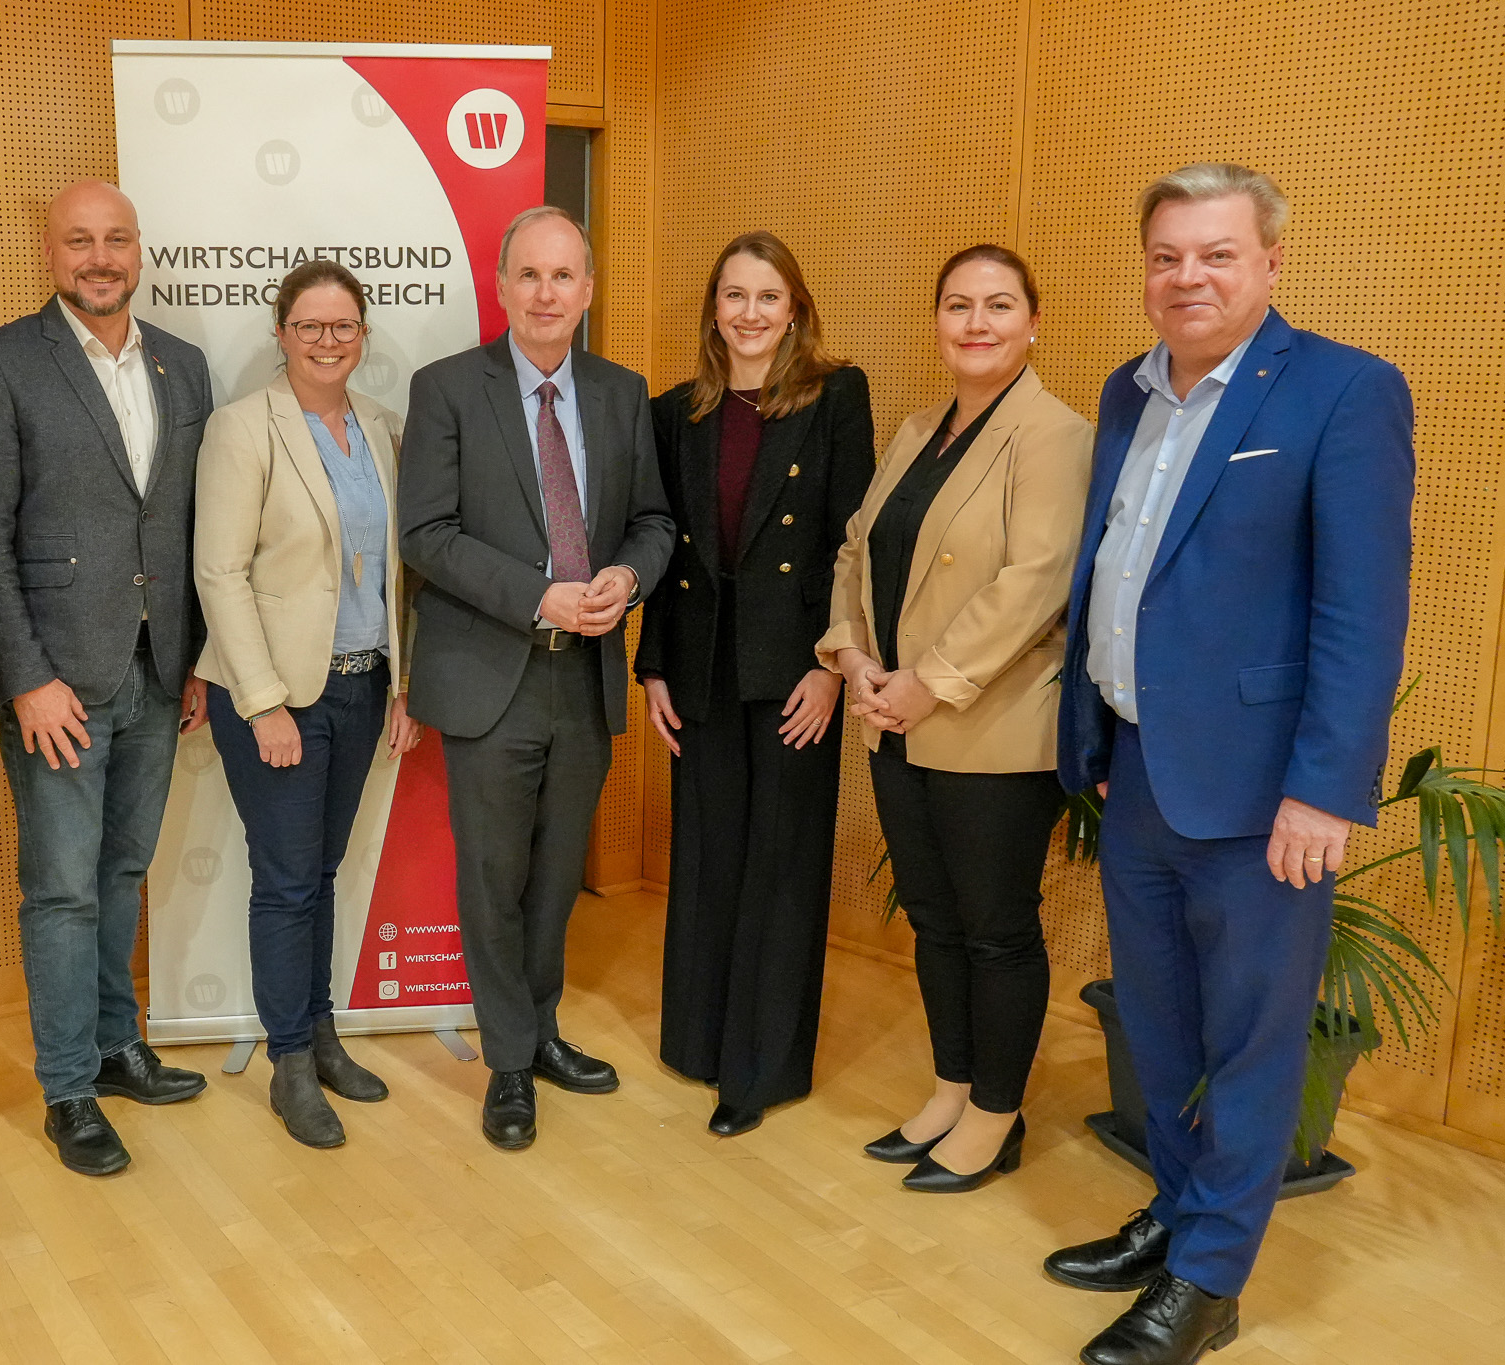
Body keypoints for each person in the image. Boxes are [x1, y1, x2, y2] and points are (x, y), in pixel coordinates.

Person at [1048, 165, 1413, 1365]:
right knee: (1154, 1024)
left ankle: (1208, 1284)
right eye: (1164, 255)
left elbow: (1360, 614)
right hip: (1137, 767)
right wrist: (1090, 731)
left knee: (1251, 1039)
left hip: (1261, 790)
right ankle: (1175, 1212)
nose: (1185, 276)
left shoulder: (1342, 392)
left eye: (1213, 253)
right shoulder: (1125, 392)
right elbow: (1114, 569)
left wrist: (1322, 787)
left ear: (1268, 263)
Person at [0, 180, 212, 1179]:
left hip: (156, 669)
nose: (99, 257)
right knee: (61, 892)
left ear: (138, 250)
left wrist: (191, 661)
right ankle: (67, 1089)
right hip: (57, 681)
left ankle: (115, 1046)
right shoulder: (1, 364)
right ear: (50, 252)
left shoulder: (182, 367)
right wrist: (24, 678)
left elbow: (186, 527)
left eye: (115, 240)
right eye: (78, 241)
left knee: (122, 873)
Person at [399, 205, 675, 1150]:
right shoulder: (446, 389)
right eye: (530, 275)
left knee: (558, 875)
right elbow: (426, 535)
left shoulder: (620, 391)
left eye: (565, 277)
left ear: (588, 290)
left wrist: (627, 577)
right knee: (492, 873)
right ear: (503, 286)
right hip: (491, 672)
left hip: (586, 675)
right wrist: (541, 596)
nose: (548, 293)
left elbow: (654, 520)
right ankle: (509, 1062)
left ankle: (541, 1025)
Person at [821, 245, 1093, 1194]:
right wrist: (851, 652)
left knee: (994, 928)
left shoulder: (1056, 435)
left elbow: (1035, 584)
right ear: (937, 319)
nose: (976, 323)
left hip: (991, 731)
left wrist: (925, 683)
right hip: (892, 715)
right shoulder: (916, 426)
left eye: (999, 305)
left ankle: (996, 1112)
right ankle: (952, 1085)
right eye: (957, 305)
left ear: (1033, 321)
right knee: (933, 921)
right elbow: (858, 546)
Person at [636, 231, 875, 1137]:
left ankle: (759, 1069)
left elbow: (849, 546)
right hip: (700, 663)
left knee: (779, 863)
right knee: (707, 855)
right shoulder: (677, 411)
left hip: (793, 666)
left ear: (796, 309)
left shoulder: (836, 395)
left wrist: (832, 664)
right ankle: (698, 1042)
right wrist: (653, 665)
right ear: (714, 309)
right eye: (733, 295)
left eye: (767, 297)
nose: (748, 313)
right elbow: (664, 545)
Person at [193, 261, 423, 1148]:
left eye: (344, 326)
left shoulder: (385, 428)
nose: (329, 341)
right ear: (281, 332)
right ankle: (290, 1059)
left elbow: (399, 571)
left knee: (321, 874)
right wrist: (262, 704)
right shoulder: (241, 429)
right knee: (287, 881)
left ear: (363, 334)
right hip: (277, 697)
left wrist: (403, 686)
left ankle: (322, 1034)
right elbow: (219, 572)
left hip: (363, 686)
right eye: (311, 326)